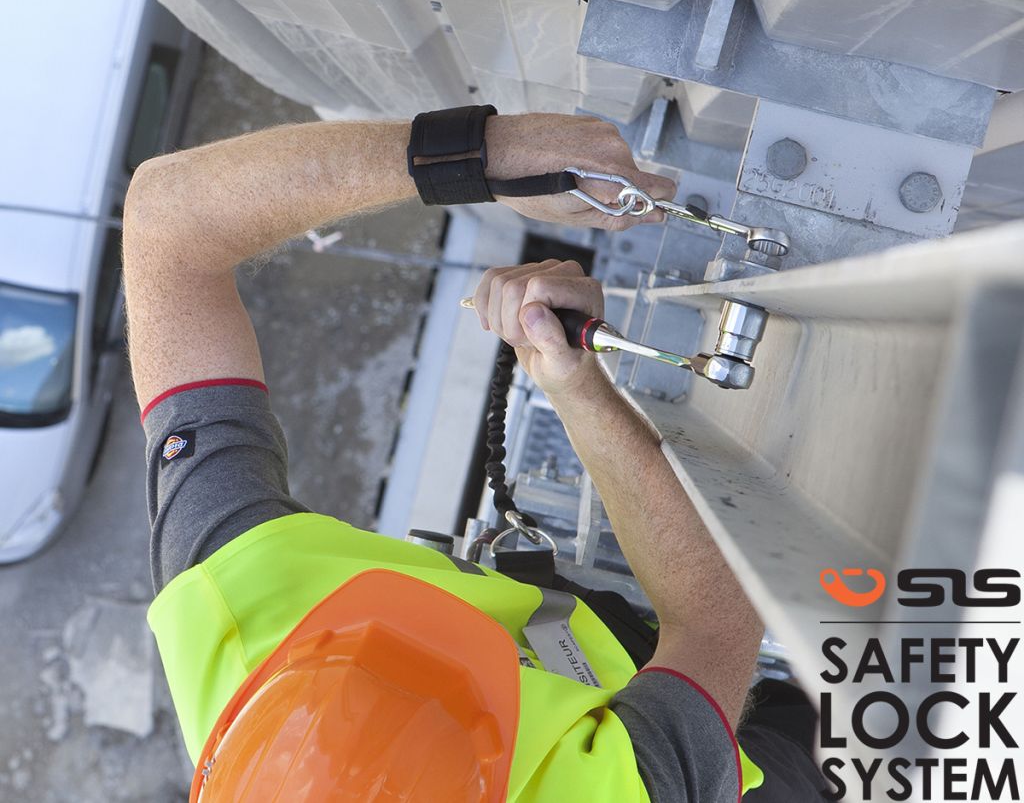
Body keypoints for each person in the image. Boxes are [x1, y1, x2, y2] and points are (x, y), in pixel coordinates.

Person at [123, 109, 826, 801]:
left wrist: (476, 156)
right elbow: (715, 619)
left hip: (607, 650)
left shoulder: (238, 612)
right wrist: (576, 387)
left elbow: (169, 222)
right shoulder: (599, 792)